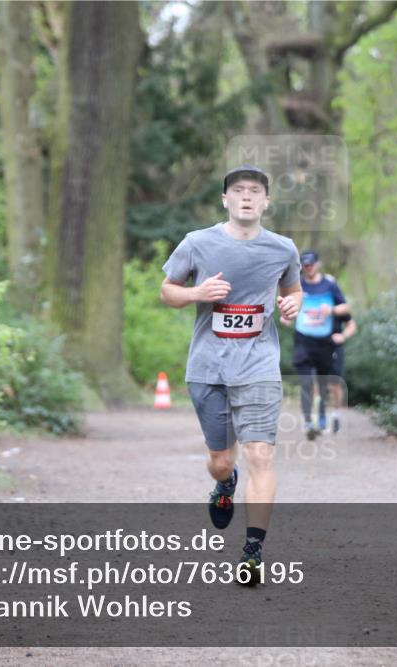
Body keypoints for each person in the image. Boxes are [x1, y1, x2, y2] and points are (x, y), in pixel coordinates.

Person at [160, 164, 302, 583]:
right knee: (222, 461)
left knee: (261, 454)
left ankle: (253, 551)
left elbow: (292, 290)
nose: (246, 197)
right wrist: (196, 293)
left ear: (265, 202)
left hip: (258, 365)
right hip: (208, 367)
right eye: (238, 190)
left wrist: (294, 304)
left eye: (255, 191)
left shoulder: (282, 248)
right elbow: (167, 290)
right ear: (225, 199)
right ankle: (225, 484)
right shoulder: (197, 243)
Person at [280, 250, 350, 439]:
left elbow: (346, 308)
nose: (308, 268)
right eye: (305, 265)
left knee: (323, 382)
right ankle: (308, 422)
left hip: (325, 342)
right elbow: (288, 306)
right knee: (306, 383)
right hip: (303, 340)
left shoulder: (329, 284)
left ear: (317, 264)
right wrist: (287, 316)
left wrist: (332, 310)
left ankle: (321, 417)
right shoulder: (298, 285)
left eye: (311, 264)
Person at [325, 273, 357, 434]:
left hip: (334, 348)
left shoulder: (338, 307)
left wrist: (342, 336)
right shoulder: (314, 303)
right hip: (314, 347)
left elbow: (352, 326)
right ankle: (318, 418)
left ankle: (336, 415)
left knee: (334, 384)